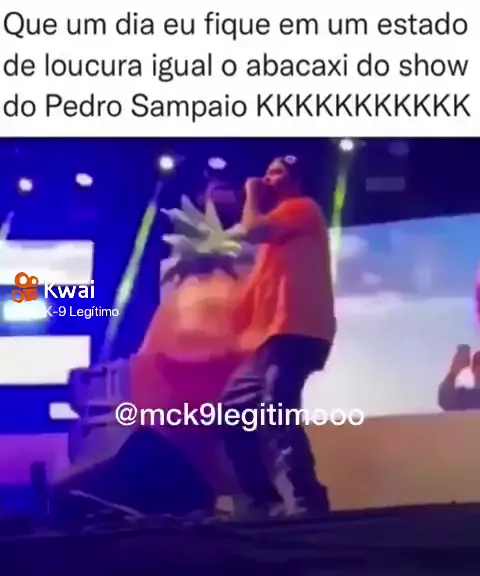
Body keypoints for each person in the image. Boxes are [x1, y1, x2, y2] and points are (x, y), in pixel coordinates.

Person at [220, 156, 336, 517]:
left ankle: (307, 499)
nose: (268, 178)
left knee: (277, 408)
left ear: (296, 179)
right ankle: (263, 499)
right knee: (232, 411)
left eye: (277, 173)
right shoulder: (277, 235)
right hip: (270, 338)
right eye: (267, 172)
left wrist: (251, 192)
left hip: (297, 330)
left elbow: (250, 229)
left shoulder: (303, 209)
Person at [438, 345, 480, 411]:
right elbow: (445, 400)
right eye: (477, 363)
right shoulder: (465, 396)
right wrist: (454, 370)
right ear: (473, 369)